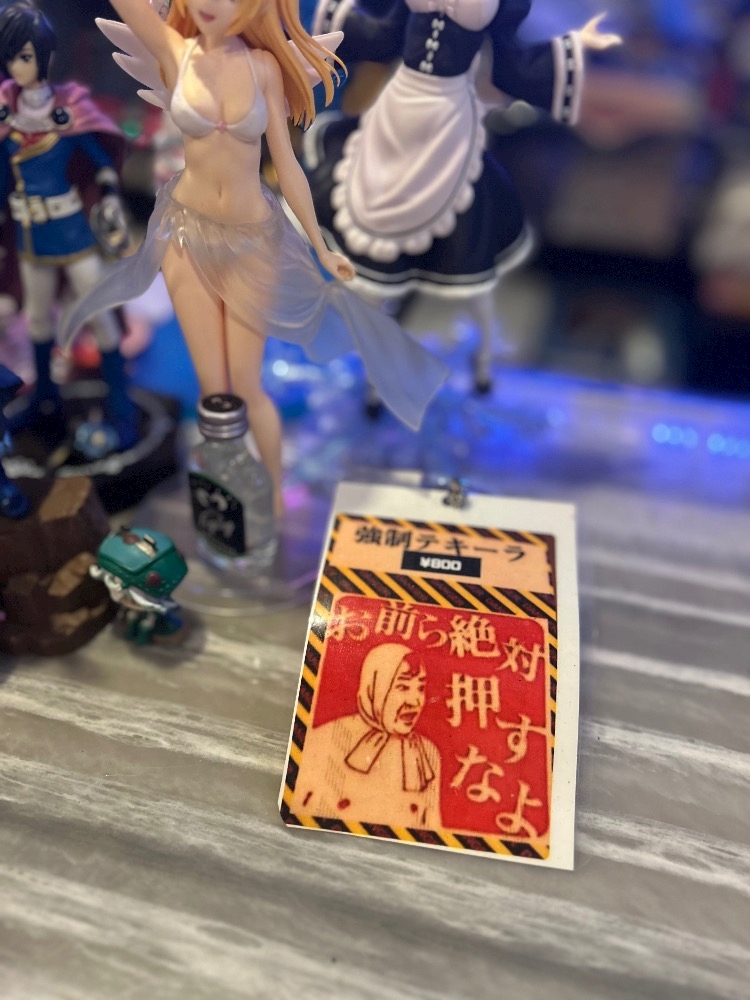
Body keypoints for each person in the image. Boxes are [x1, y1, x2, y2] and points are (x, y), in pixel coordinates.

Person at [61, 0, 448, 515]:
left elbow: (286, 165)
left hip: (251, 241)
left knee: (247, 387)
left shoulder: (264, 67)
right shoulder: (175, 52)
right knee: (213, 392)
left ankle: (274, 496)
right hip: (187, 236)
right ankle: (223, 499)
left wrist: (321, 246)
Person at [307, 0, 622, 389]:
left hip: (446, 123)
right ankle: (359, 356)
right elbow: (382, 37)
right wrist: (331, 21)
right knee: (370, 209)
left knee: (452, 232)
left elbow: (513, 67)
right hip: (397, 112)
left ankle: (466, 352)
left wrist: (577, 44)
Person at [0, 1, 137, 458]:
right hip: (30, 237)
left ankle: (121, 408)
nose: (16, 67)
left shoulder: (68, 109)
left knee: (99, 315)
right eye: (10, 57)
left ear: (44, 56)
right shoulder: (5, 115)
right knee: (38, 319)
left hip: (73, 233)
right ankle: (46, 402)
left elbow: (101, 160)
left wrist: (109, 196)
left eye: (24, 56)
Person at [291, 643, 443, 828]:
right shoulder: (325, 739)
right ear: (374, 688)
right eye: (403, 687)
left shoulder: (427, 754)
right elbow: (296, 812)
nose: (415, 701)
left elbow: (432, 828)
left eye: (420, 688)